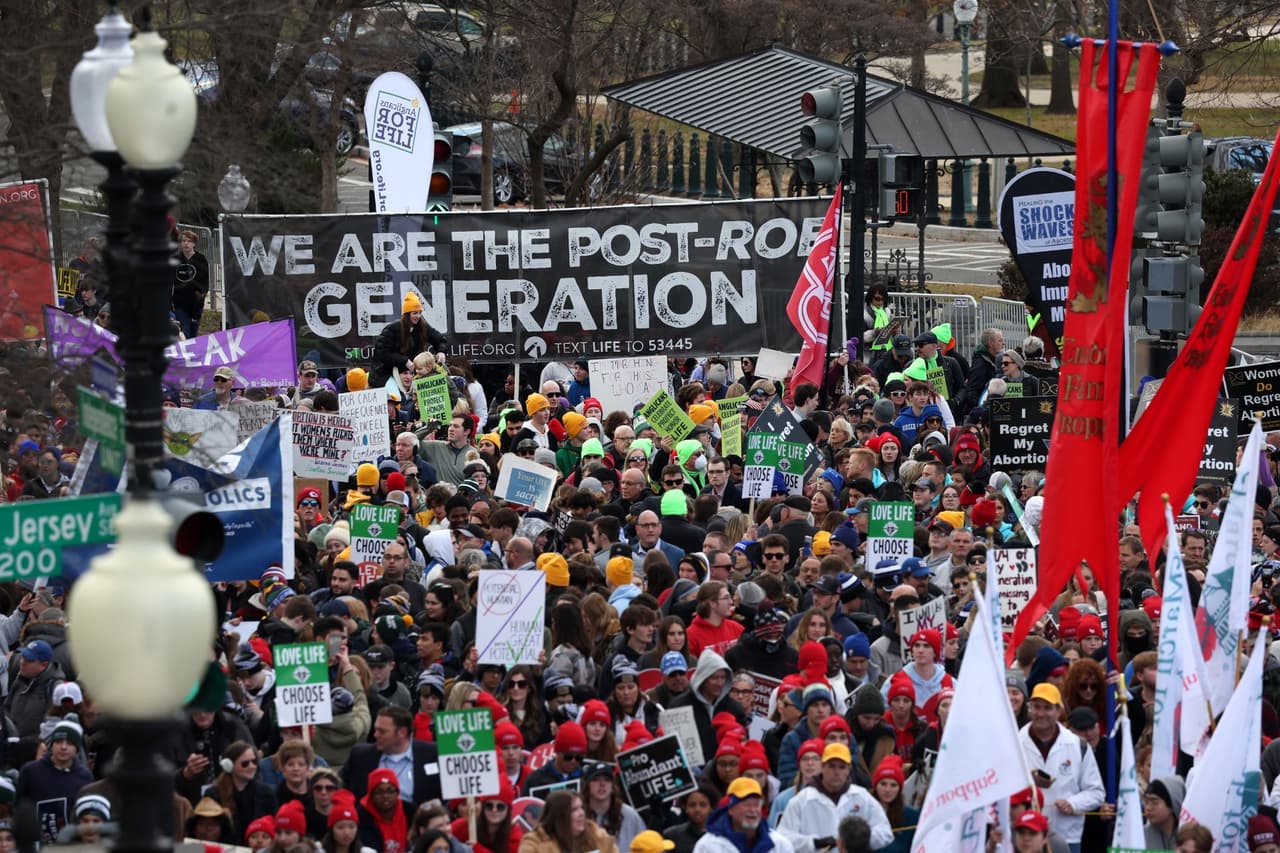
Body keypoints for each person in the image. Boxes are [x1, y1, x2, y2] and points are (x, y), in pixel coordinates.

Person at [1017, 684, 1103, 851]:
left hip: (1066, 835)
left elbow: (1097, 792)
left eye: (1048, 708)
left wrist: (1073, 804)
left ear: (1059, 711)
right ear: (1029, 709)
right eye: (1036, 707)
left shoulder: (1078, 745)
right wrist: (1028, 781)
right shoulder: (1015, 742)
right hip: (1025, 836)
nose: (1041, 714)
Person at [777, 742, 893, 853]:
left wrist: (860, 839)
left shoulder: (862, 796)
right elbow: (783, 838)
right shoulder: (802, 800)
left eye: (842, 767)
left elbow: (886, 833)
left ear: (849, 769)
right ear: (822, 767)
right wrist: (813, 843)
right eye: (831, 766)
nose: (836, 772)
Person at [342, 706, 443, 809]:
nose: (375, 735)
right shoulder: (360, 756)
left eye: (382, 731)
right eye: (376, 729)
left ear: (402, 732)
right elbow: (341, 788)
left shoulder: (432, 753)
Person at [15, 716, 93, 843]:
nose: (63, 747)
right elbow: (19, 807)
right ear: (52, 744)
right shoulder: (30, 771)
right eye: (59, 742)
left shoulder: (85, 777)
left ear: (77, 749)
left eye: (69, 743)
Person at [693, 778, 794, 853]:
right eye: (746, 804)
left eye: (756, 804)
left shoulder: (780, 844)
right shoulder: (707, 846)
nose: (753, 810)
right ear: (731, 809)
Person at [371, 292, 446, 389]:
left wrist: (441, 351)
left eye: (420, 313)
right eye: (415, 313)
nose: (418, 316)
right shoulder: (392, 329)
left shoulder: (422, 327)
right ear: (407, 314)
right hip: (387, 375)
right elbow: (382, 354)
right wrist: (404, 361)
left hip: (412, 375)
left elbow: (440, 340)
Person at [518, 790, 618, 853]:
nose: (581, 813)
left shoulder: (598, 835)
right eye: (574, 809)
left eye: (581, 807)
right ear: (558, 816)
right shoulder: (534, 843)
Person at [357, 768, 410, 853]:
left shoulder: (410, 811)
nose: (385, 796)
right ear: (371, 795)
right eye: (379, 792)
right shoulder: (360, 816)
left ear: (397, 793)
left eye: (390, 791)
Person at [173, 229, 210, 337]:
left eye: (189, 241)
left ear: (194, 243)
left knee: (194, 332)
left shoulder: (201, 259)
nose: (186, 243)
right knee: (185, 331)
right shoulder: (176, 259)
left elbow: (205, 281)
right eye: (184, 241)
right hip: (180, 302)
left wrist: (201, 294)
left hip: (196, 303)